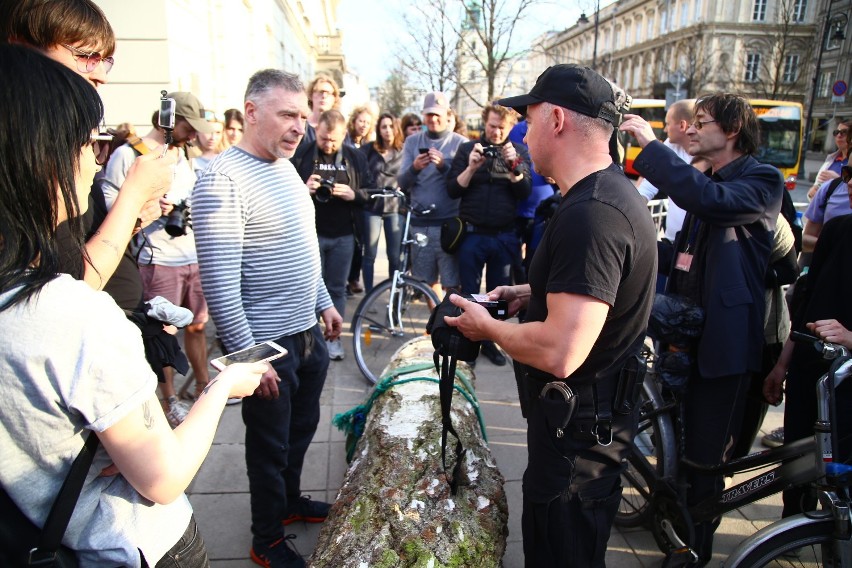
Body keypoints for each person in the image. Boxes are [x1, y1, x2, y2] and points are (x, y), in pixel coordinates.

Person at [0, 42, 264, 568]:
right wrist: (222, 388)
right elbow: (163, 476)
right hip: (129, 544)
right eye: (86, 146)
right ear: (40, 157)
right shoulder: (74, 315)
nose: (94, 164)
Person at [446, 64, 657, 567]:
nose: (523, 130)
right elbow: (595, 292)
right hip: (583, 433)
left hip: (575, 449)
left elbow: (562, 351)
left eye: (530, 117)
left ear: (558, 119)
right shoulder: (602, 196)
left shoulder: (593, 214)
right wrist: (531, 291)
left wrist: (488, 328)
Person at [620, 93, 784, 564]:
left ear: (732, 130)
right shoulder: (705, 180)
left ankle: (695, 550)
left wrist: (650, 149)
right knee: (676, 445)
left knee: (705, 461)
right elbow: (687, 255)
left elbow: (713, 204)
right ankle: (671, 522)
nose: (689, 131)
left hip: (722, 346)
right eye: (688, 124)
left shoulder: (761, 179)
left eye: (701, 123)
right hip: (683, 334)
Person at [192, 69, 342, 568]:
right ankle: (265, 538)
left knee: (301, 434)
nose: (300, 126)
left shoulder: (285, 170)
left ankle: (289, 503)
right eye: (287, 115)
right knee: (268, 447)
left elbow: (303, 252)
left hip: (308, 335)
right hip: (268, 346)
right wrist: (251, 360)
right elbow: (219, 282)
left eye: (303, 115)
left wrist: (324, 302)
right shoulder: (221, 178)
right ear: (251, 112)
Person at [0, 0, 172, 292]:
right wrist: (133, 196)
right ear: (21, 48)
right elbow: (67, 282)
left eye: (104, 61)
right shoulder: (24, 155)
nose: (101, 75)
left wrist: (134, 215)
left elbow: (86, 239)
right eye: (85, 56)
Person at [102, 93, 215, 424]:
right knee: (163, 333)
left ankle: (203, 385)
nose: (194, 134)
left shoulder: (184, 155)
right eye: (188, 127)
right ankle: (168, 402)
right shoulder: (130, 155)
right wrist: (150, 209)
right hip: (158, 258)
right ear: (168, 120)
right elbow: (111, 207)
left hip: (192, 256)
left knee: (196, 325)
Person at [764, 208, 852, 519]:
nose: (851, 182)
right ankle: (794, 533)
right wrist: (782, 365)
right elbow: (807, 302)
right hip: (810, 371)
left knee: (840, 482)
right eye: (848, 172)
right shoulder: (838, 229)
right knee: (798, 466)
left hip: (847, 383)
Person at [447, 103, 531, 366]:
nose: (496, 132)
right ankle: (468, 343)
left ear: (509, 128)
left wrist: (512, 165)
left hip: (504, 235)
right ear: (484, 123)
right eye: (492, 126)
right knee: (470, 292)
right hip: (472, 234)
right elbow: (452, 190)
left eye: (501, 128)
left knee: (498, 296)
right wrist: (472, 166)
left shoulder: (518, 152)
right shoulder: (467, 149)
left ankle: (490, 341)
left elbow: (525, 190)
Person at [291, 109, 372, 361]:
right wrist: (303, 189)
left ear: (344, 134)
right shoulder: (301, 154)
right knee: (309, 288)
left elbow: (370, 192)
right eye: (324, 139)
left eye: (334, 140)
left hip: (344, 235)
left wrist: (353, 194)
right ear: (316, 132)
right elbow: (283, 191)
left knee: (337, 288)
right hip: (309, 235)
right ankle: (309, 341)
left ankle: (333, 339)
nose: (328, 144)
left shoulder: (355, 157)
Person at [397, 92, 468, 296]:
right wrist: (414, 168)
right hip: (421, 223)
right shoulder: (412, 142)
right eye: (429, 115)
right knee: (425, 283)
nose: (434, 119)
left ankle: (449, 323)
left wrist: (444, 167)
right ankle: (435, 325)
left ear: (447, 115)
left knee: (452, 283)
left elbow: (463, 184)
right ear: (423, 116)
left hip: (449, 224)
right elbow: (402, 182)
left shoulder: (460, 143)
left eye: (438, 115)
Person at [636, 99, 693, 241]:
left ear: (682, 125)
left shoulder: (706, 155)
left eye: (667, 124)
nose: (665, 130)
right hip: (671, 239)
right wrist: (631, 208)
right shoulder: (671, 145)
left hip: (692, 243)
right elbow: (649, 185)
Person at [360, 112, 405, 292]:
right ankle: (369, 295)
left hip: (394, 208)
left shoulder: (403, 151)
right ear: (378, 130)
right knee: (369, 253)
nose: (387, 131)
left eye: (390, 126)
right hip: (372, 206)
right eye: (383, 127)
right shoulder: (368, 150)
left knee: (394, 255)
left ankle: (394, 294)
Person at [806, 119, 850, 200]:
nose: (839, 136)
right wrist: (812, 192)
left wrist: (837, 179)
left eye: (844, 132)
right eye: (836, 132)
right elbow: (817, 186)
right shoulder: (831, 159)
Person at [301, 74, 341, 150]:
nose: (324, 96)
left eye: (328, 93)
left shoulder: (340, 129)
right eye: (320, 92)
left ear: (334, 98)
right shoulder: (300, 125)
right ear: (311, 95)